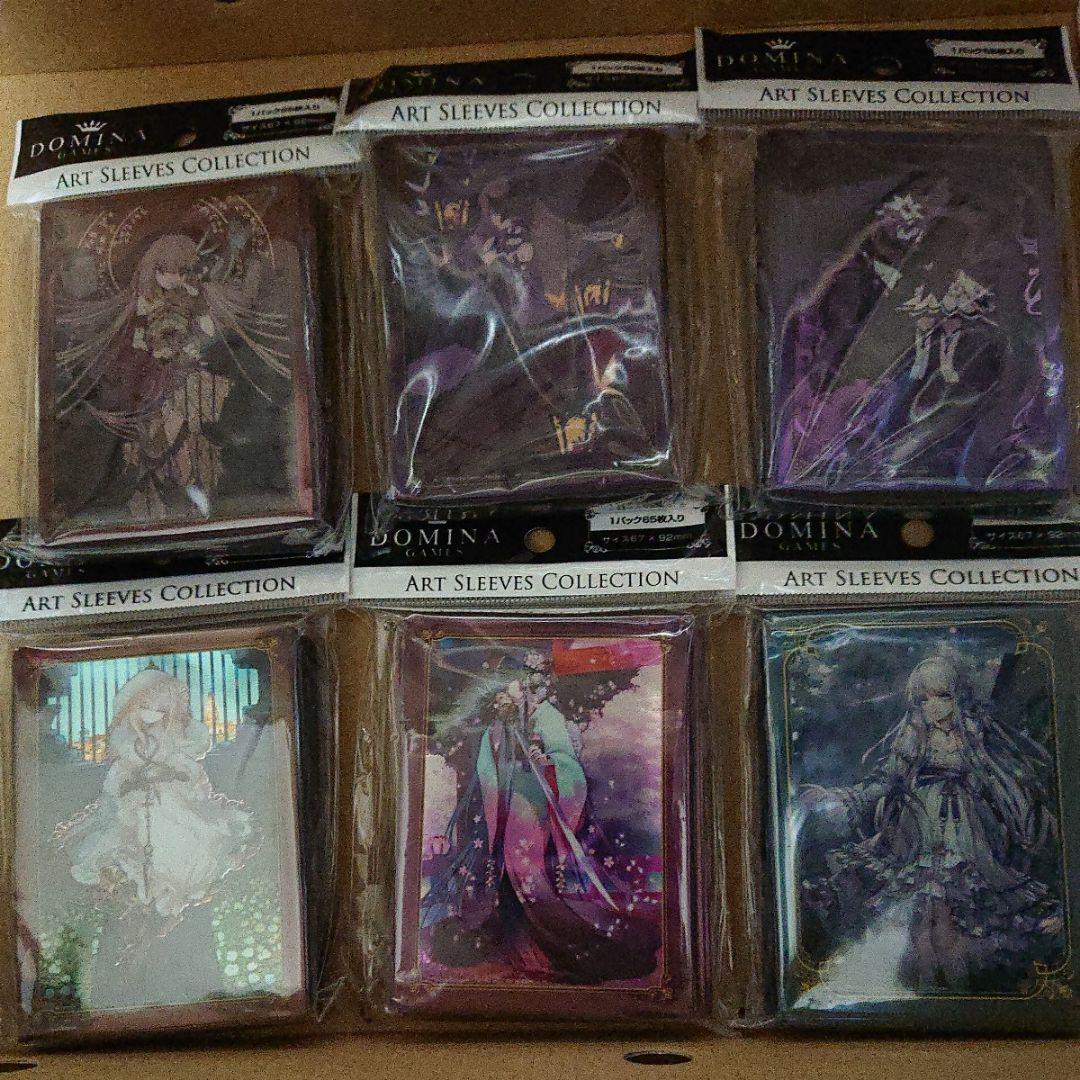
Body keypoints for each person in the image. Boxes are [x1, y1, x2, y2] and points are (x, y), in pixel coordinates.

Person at [803, 655, 1063, 992]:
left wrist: (1026, 816)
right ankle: (917, 985)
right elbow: (887, 779)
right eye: (924, 699)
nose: (933, 707)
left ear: (958, 697)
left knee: (962, 903)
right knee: (920, 905)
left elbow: (1003, 780)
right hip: (919, 832)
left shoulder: (975, 734)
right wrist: (841, 797)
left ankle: (955, 992)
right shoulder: (914, 735)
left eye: (942, 696)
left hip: (969, 834)